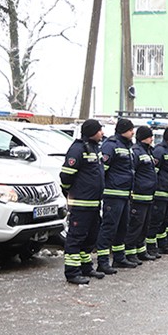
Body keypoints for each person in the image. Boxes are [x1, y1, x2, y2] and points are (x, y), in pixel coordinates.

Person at [60, 119, 106, 284]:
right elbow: (66, 175)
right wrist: (70, 191)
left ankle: (86, 268)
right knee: (76, 238)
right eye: (99, 130)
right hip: (81, 203)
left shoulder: (94, 148)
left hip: (94, 203)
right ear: (92, 131)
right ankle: (72, 272)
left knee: (90, 237)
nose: (102, 133)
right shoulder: (78, 149)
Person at [96, 119, 137, 274]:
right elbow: (102, 170)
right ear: (123, 130)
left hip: (124, 194)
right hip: (113, 194)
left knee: (122, 227)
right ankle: (103, 262)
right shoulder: (111, 145)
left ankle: (119, 258)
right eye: (131, 129)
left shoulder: (127, 146)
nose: (133, 132)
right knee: (109, 228)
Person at [124, 126, 158, 264]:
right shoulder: (137, 151)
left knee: (144, 226)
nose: (152, 138)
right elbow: (132, 173)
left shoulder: (148, 151)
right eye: (150, 136)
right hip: (139, 196)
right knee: (135, 226)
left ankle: (140, 251)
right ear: (145, 137)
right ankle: (130, 253)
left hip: (148, 196)